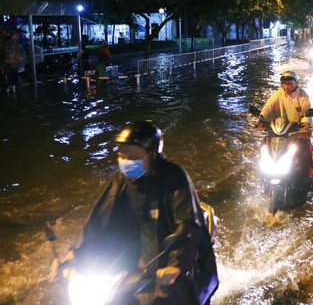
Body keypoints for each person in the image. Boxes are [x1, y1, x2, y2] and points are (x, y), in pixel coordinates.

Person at [49, 121, 219, 305]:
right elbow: (99, 222)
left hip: (168, 262)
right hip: (135, 265)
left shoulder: (174, 177)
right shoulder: (121, 181)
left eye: (133, 156)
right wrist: (75, 255)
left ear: (152, 154)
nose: (126, 162)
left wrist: (175, 266)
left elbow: (187, 225)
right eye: (121, 156)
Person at [259, 71, 313, 176]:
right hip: (279, 128)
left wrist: (305, 122)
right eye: (284, 83)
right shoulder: (278, 94)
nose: (286, 86)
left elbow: (307, 112)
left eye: (289, 83)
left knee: (304, 148)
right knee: (265, 143)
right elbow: (268, 107)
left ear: (295, 84)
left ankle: (307, 174)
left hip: (297, 129)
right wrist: (261, 119)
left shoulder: (302, 95)